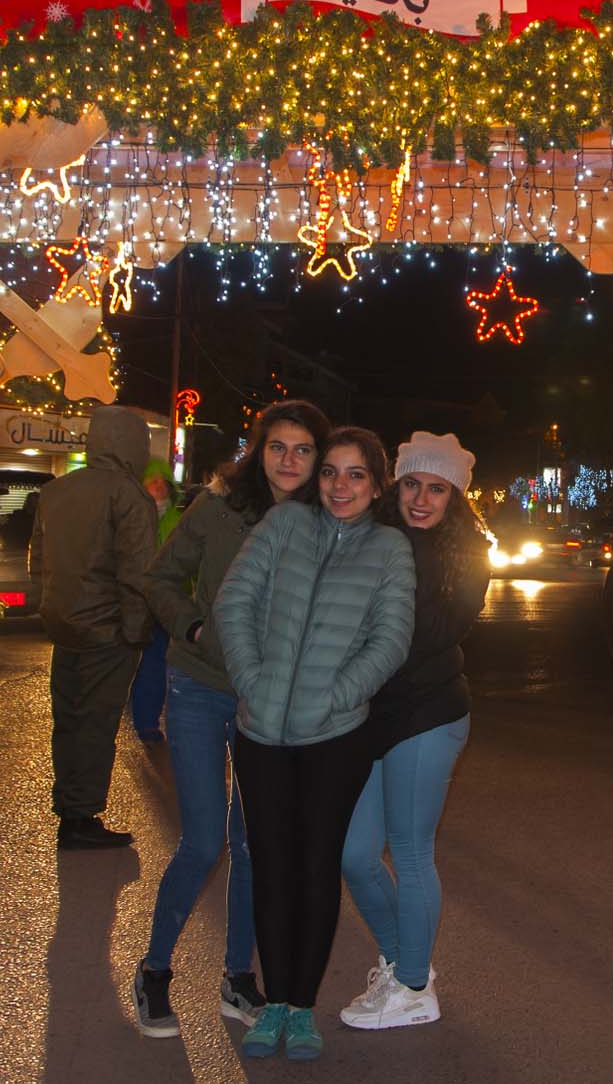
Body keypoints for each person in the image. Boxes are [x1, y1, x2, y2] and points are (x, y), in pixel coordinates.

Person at [130, 401, 332, 1040]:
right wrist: (190, 625)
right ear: (258, 450)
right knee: (203, 840)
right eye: (278, 447)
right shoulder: (217, 510)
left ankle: (237, 977)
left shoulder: (327, 521)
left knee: (254, 845)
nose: (290, 461)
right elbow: (160, 577)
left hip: (269, 702)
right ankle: (155, 970)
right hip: (199, 686)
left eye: (303, 450)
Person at [214, 427, 416, 1062]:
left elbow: (391, 639)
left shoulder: (389, 550)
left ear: (377, 485)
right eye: (331, 472)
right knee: (270, 865)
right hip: (259, 732)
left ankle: (301, 1007)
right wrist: (251, 679)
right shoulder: (282, 526)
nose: (339, 486)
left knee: (313, 866)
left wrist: (336, 696)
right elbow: (234, 601)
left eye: (356, 475)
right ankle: (273, 1003)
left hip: (334, 737)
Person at [338, 432, 490, 1030]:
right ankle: (408, 963)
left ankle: (410, 989)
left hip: (428, 717)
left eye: (437, 488)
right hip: (376, 719)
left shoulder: (461, 556)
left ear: (455, 497)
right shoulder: (374, 540)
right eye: (411, 484)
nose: (421, 499)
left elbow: (424, 637)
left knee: (410, 851)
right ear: (395, 485)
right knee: (353, 854)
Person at [30, 405, 157, 850]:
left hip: (64, 625)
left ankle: (67, 805)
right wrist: (137, 632)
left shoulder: (56, 491)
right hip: (109, 631)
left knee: (67, 719)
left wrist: (51, 607)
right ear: (131, 444)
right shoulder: (128, 495)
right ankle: (81, 818)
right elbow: (139, 574)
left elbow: (38, 561)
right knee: (97, 724)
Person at [129, 457, 182, 743]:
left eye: (163, 481)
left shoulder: (178, 520)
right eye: (153, 481)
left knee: (155, 664)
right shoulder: (134, 519)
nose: (159, 486)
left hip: (164, 605)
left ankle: (147, 722)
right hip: (136, 601)